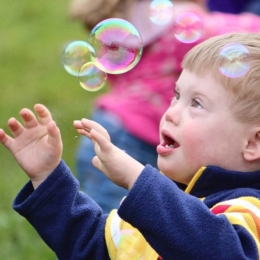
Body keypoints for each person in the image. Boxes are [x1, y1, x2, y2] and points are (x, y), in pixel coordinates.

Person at [2, 32, 260, 259]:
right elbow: (89, 248)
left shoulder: (249, 213)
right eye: (177, 96)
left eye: (196, 104)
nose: (171, 112)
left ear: (253, 143)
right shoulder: (159, 206)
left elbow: (219, 250)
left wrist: (137, 179)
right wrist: (48, 178)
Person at [68, 0, 260, 213]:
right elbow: (234, 36)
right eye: (176, 96)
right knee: (111, 229)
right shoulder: (182, 22)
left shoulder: (127, 28)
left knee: (105, 222)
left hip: (106, 126)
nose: (172, 112)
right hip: (132, 140)